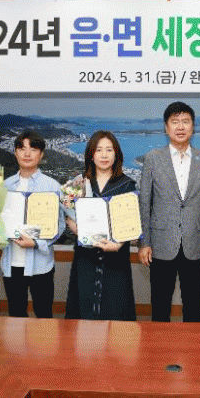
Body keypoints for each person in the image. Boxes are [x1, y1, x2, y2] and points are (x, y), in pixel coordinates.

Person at [138, 101, 200, 323]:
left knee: (193, 309)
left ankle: (193, 346)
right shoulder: (153, 158)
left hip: (196, 243)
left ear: (193, 126)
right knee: (160, 308)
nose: (180, 127)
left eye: (185, 121)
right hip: (161, 243)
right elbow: (145, 203)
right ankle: (158, 345)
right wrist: (144, 242)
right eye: (175, 122)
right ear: (166, 128)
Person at [0, 130, 64, 318]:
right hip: (11, 263)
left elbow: (59, 226)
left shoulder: (53, 186)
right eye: (22, 148)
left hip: (41, 264)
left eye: (33, 149)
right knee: (16, 315)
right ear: (15, 152)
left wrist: (36, 243)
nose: (27, 154)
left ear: (41, 154)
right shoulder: (4, 186)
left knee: (43, 314)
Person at [65, 131, 137, 321]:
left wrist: (118, 244)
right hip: (85, 258)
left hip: (116, 259)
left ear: (116, 154)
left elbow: (131, 224)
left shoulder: (127, 185)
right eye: (99, 150)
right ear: (91, 154)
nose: (104, 155)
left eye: (109, 150)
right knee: (84, 312)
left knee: (115, 312)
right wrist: (77, 228)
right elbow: (68, 215)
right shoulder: (79, 184)